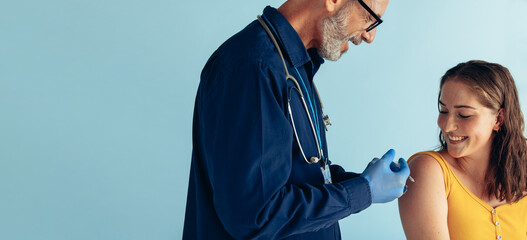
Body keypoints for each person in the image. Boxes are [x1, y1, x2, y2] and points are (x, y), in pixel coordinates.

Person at [183, 0, 411, 239]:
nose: (369, 36)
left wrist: (358, 182)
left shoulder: (294, 66)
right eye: (369, 18)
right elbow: (256, 215)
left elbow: (293, 174)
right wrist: (363, 192)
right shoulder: (253, 68)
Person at [398, 60, 527, 240]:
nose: (447, 126)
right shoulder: (428, 171)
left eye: (464, 115)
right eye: (443, 110)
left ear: (499, 118)